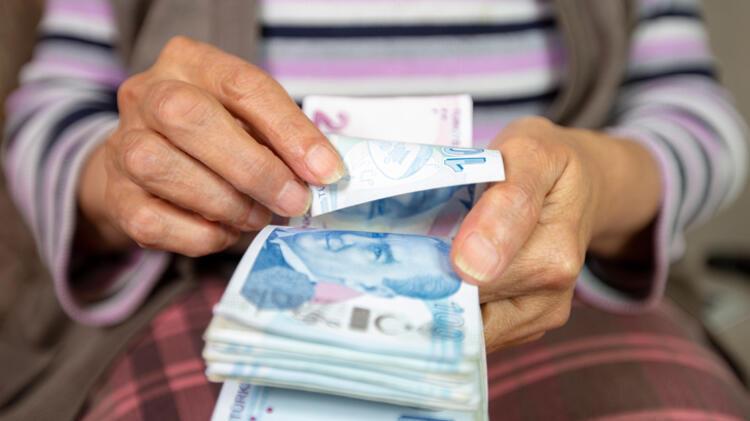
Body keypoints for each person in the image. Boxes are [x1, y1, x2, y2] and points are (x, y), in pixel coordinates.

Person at [3, 0, 749, 420]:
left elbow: (695, 117)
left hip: (555, 291)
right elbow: (50, 115)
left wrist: (596, 185)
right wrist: (124, 176)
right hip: (208, 298)